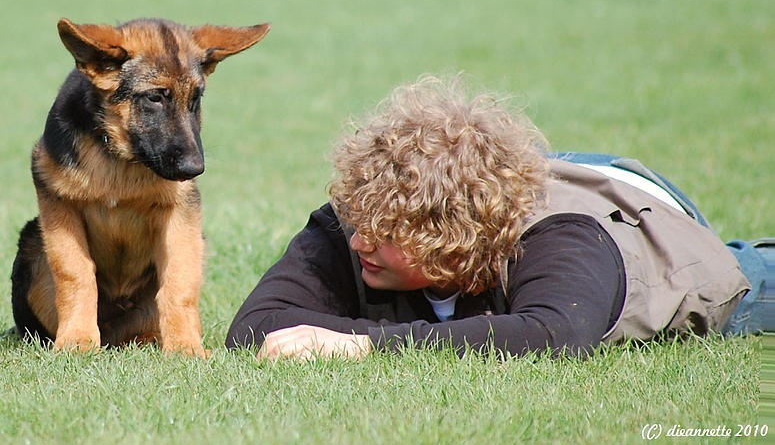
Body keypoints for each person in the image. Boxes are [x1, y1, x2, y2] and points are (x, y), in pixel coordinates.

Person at [226, 74, 771, 360]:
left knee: (753, 288)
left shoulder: (562, 241)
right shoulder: (360, 220)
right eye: (362, 217)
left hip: (643, 222)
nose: (361, 238)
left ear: (450, 240)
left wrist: (364, 342)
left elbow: (555, 333)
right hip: (510, 179)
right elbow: (254, 328)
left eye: (388, 232)